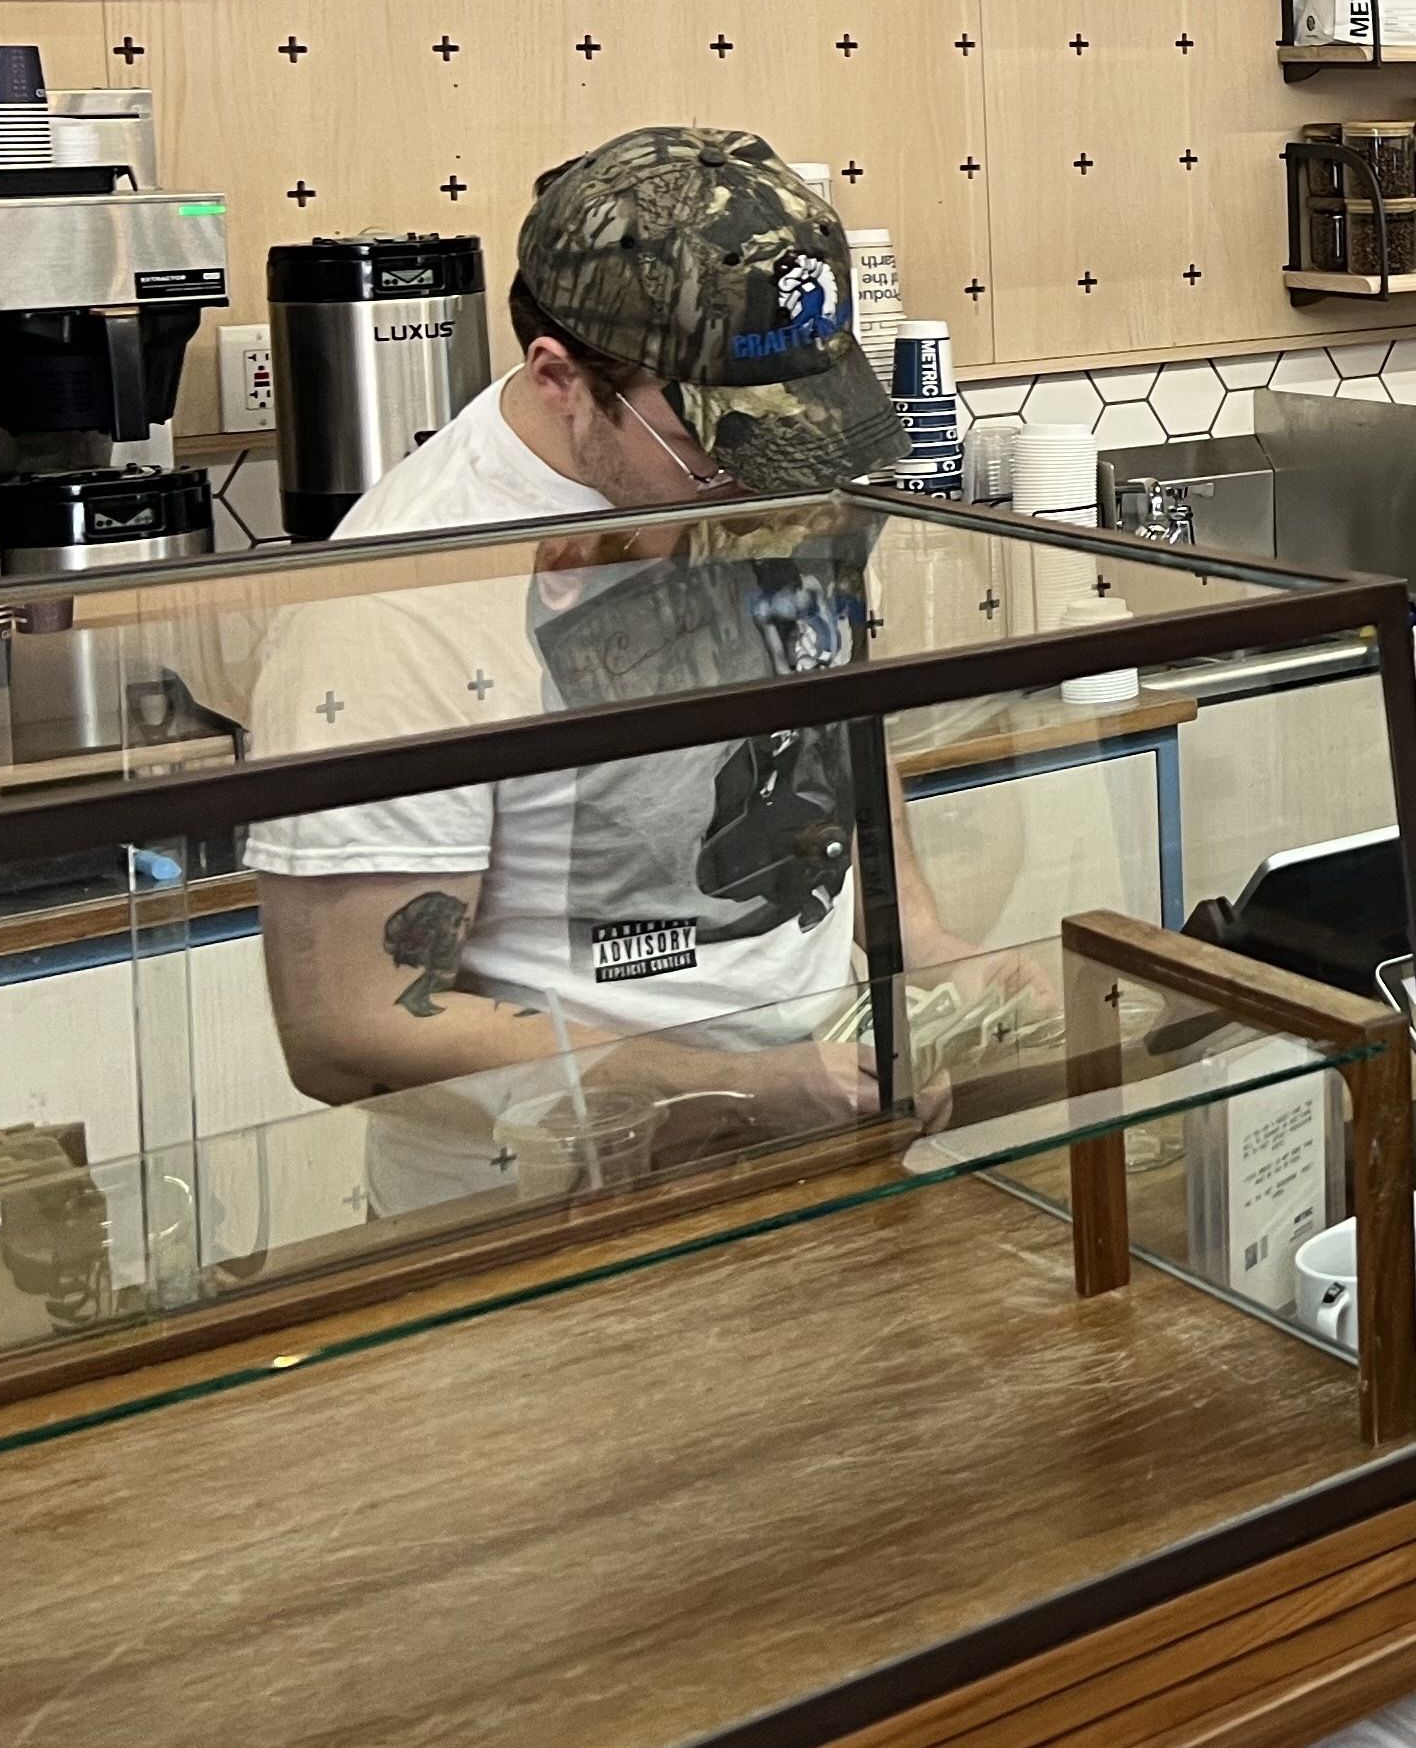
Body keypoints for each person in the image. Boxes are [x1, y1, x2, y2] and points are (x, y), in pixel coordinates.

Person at [244, 127, 969, 1207]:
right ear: (561, 379)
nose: (758, 488)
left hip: (822, 1144)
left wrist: (935, 951)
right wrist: (730, 1087)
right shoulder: (398, 598)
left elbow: (832, 720)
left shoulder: (763, 486)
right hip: (535, 1217)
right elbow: (347, 1030)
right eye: (720, 449)